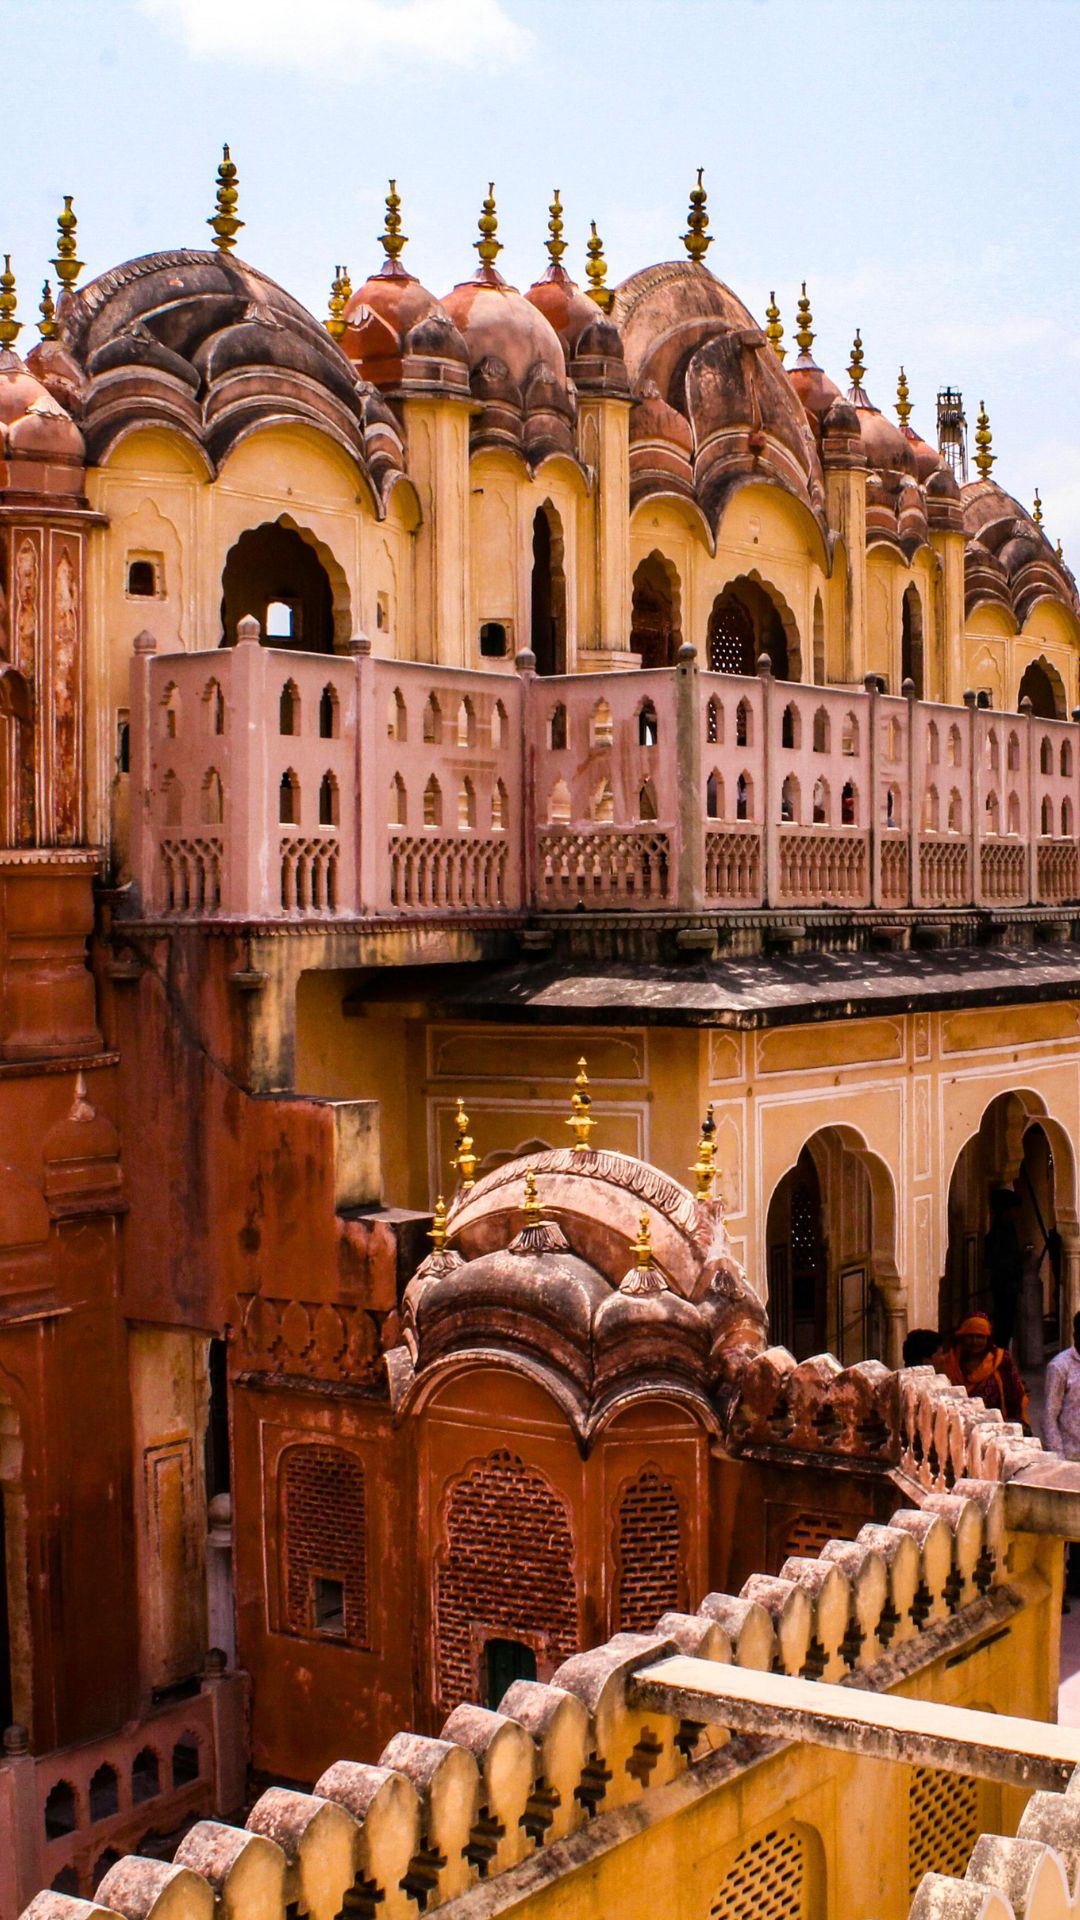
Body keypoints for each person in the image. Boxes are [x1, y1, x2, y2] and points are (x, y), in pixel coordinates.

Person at [1045, 1313, 1080, 1605]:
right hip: (1069, 1455)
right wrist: (1057, 1458)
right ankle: (1061, 1586)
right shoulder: (1060, 1366)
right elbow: (1050, 1413)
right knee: (1063, 1527)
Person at [941, 1311, 1029, 1426]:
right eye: (969, 1336)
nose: (974, 1341)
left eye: (980, 1336)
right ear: (961, 1337)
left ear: (988, 1339)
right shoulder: (949, 1362)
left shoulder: (1001, 1359)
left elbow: (1014, 1395)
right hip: (957, 1426)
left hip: (995, 1427)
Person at [984, 1187, 1024, 1349]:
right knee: (1003, 1326)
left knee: (1006, 1326)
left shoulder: (1007, 1229)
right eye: (1015, 1210)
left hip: (1008, 1286)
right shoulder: (1000, 1233)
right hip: (1004, 1286)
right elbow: (995, 1261)